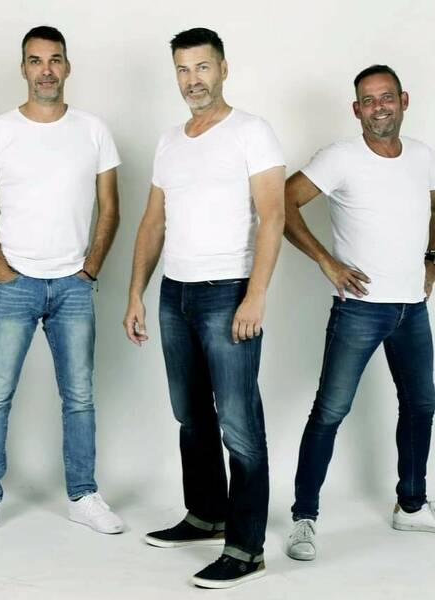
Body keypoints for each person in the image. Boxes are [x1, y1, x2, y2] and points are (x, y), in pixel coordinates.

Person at [123, 27, 285, 589]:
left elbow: (273, 216)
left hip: (228, 291)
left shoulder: (252, 132)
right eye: (183, 69)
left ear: (223, 68)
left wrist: (255, 294)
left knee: (239, 423)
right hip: (176, 293)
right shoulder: (170, 141)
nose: (193, 80)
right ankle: (207, 514)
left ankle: (246, 548)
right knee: (191, 414)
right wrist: (136, 292)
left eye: (202, 67)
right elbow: (153, 222)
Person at [0, 26, 123, 537]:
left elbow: (110, 207)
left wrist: (89, 268)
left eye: (55, 60)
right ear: (23, 68)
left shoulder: (93, 130)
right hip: (15, 283)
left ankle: (83, 494)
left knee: (79, 397)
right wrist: (1, 272)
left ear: (67, 67)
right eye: (36, 61)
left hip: (73, 285)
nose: (46, 70)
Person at [284, 65, 435, 562]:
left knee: (421, 406)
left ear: (404, 100)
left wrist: (432, 260)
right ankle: (304, 517)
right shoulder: (340, 158)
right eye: (368, 101)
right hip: (360, 310)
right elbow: (283, 200)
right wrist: (325, 261)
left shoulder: (422, 155)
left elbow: (434, 207)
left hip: (412, 308)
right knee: (330, 411)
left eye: (386, 97)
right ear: (356, 110)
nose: (378, 108)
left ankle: (410, 505)